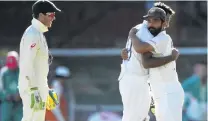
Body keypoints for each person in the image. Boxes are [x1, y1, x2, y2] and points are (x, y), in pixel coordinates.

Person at [122, 3, 184, 121]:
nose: (151, 24)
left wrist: (132, 35)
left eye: (156, 20)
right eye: (149, 20)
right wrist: (126, 53)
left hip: (169, 92)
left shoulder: (163, 38)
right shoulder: (151, 36)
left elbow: (144, 58)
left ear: (164, 23)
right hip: (158, 91)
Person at [18, 0, 61, 121]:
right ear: (41, 15)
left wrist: (45, 88)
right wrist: (33, 89)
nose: (53, 18)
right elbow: (27, 63)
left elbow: (39, 67)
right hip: (32, 87)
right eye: (51, 15)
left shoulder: (39, 34)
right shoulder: (32, 34)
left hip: (38, 87)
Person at [0, 51, 22, 121]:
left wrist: (20, 95)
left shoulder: (22, 71)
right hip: (7, 103)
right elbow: (0, 88)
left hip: (20, 104)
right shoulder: (4, 72)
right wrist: (7, 96)